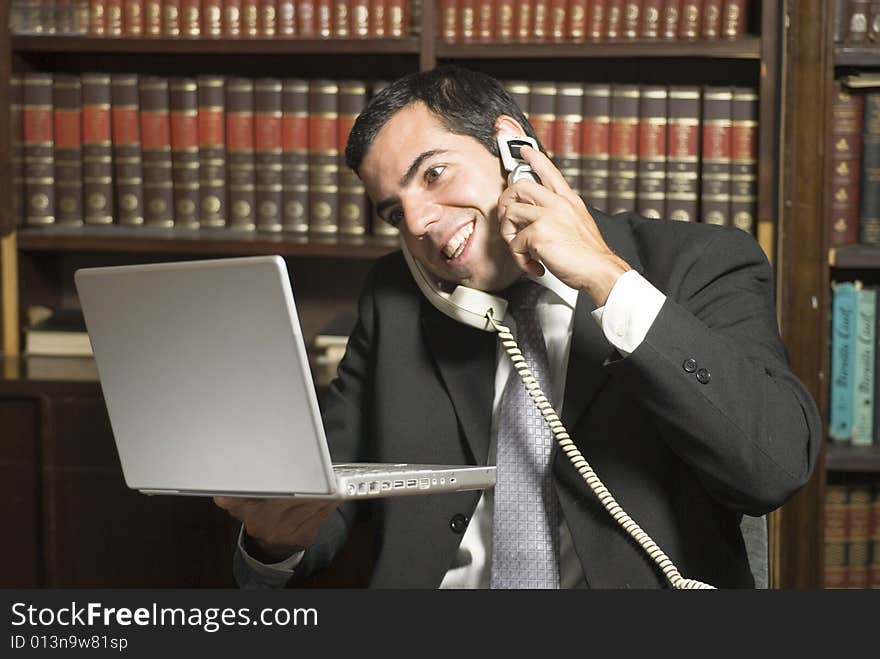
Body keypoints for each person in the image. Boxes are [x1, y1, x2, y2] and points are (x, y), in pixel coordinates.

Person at [215, 65, 821, 589]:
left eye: (434, 174)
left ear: (512, 146)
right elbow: (332, 491)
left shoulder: (699, 263)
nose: (420, 222)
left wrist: (609, 282)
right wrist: (273, 543)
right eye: (395, 211)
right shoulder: (396, 298)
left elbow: (774, 466)